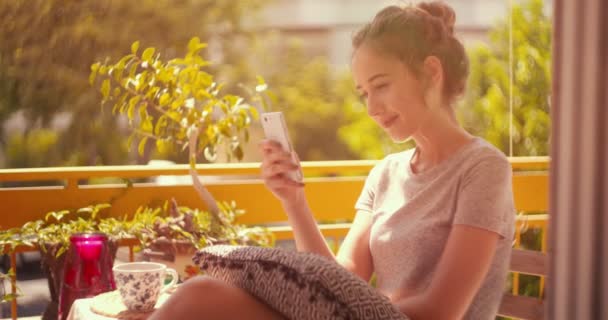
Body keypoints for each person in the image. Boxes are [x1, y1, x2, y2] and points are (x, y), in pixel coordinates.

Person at [150, 1, 514, 319]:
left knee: (200, 302)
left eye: (381, 85)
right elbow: (342, 279)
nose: (371, 108)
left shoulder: (483, 169)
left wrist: (330, 312)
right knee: (199, 298)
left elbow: (440, 313)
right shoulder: (385, 174)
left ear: (432, 72)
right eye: (364, 93)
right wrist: (294, 202)